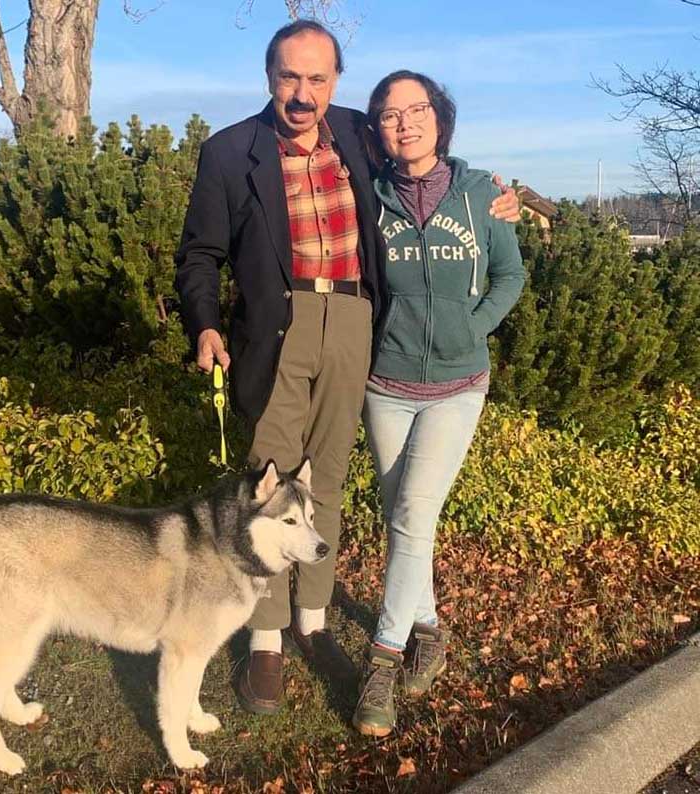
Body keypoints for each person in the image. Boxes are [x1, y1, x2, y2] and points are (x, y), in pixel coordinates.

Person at [175, 22, 520, 716]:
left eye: (318, 79)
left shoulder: (359, 134)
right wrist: (206, 323)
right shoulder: (228, 152)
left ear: (335, 81)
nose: (303, 95)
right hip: (281, 327)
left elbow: (427, 159)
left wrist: (496, 198)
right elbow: (199, 253)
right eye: (289, 78)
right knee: (270, 479)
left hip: (355, 322)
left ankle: (314, 622)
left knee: (325, 476)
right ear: (269, 74)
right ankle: (267, 639)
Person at [351, 71, 526, 737]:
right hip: (386, 385)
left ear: (439, 118)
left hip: (457, 386)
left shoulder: (484, 194)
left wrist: (470, 328)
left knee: (412, 516)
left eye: (417, 109)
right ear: (377, 132)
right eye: (391, 115)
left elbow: (510, 274)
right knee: (403, 517)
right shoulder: (368, 197)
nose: (406, 122)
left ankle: (384, 661)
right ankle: (430, 629)